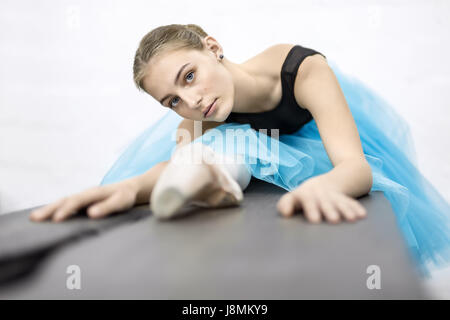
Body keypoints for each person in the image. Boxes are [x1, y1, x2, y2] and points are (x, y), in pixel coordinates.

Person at [29, 24, 450, 275]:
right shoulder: (200, 115)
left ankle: (219, 176)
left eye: (189, 76)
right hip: (245, 151)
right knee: (206, 151)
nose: (189, 101)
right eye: (172, 99)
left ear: (213, 47)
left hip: (317, 143)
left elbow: (356, 167)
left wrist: (327, 186)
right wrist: (135, 186)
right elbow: (176, 162)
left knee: (233, 143)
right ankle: (215, 183)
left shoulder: (302, 70)